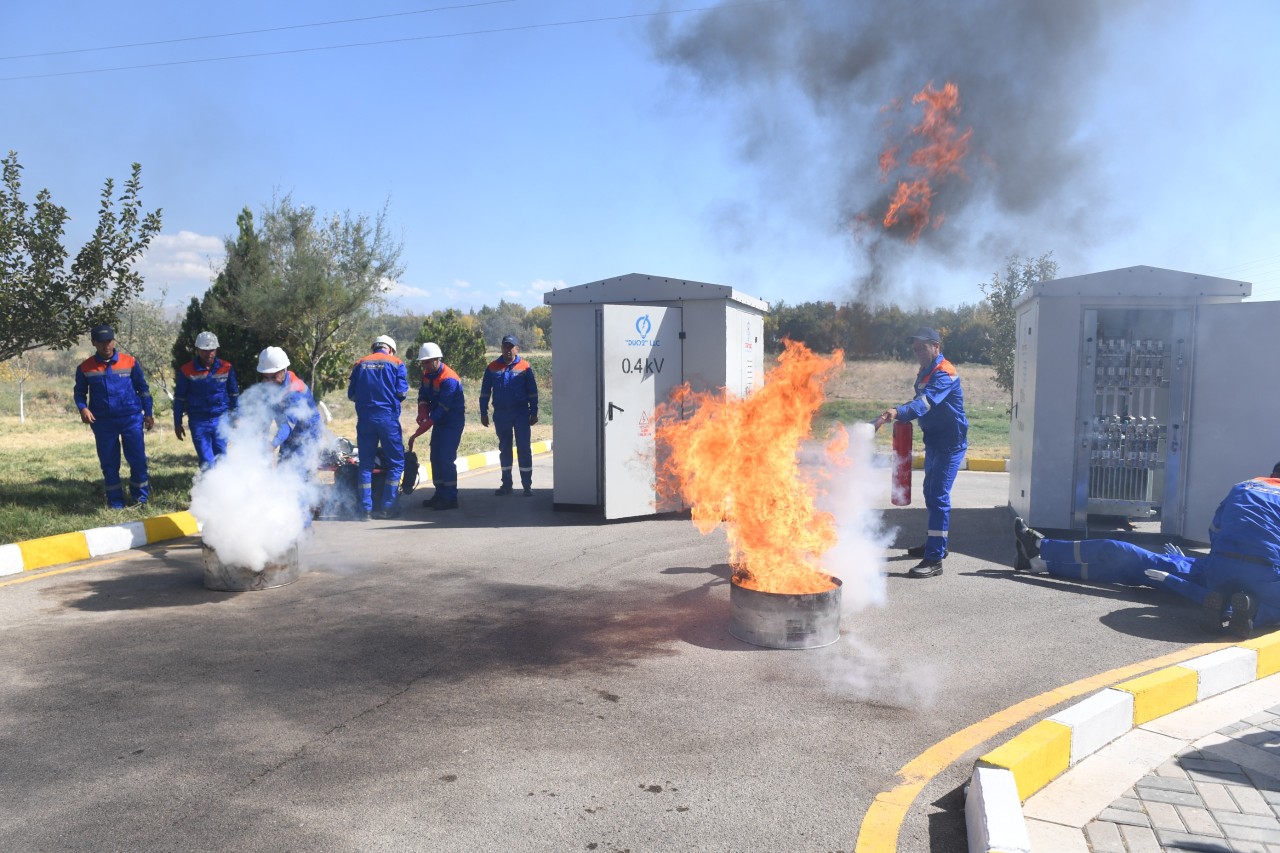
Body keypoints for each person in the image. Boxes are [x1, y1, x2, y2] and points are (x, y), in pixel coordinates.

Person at [1013, 461, 1280, 637]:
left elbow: (1216, 532)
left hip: (1219, 569)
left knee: (1137, 561)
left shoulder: (1245, 486)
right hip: (1266, 578)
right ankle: (1248, 611)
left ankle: (1040, 550)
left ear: (1271, 476)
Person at [874, 326, 968, 578]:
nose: (918, 353)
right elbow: (918, 401)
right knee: (930, 493)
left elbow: (925, 404)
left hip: (951, 444)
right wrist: (895, 410)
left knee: (937, 496)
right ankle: (936, 545)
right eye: (915, 349)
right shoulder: (926, 373)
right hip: (935, 442)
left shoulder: (944, 373)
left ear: (936, 346)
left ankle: (935, 559)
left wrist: (896, 412)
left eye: (922, 348)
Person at [74, 324, 155, 509]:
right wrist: (83, 408)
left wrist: (148, 413)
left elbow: (143, 389)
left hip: (131, 419)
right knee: (110, 464)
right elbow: (79, 393)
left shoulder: (130, 362)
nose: (106, 346)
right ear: (94, 343)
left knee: (138, 461)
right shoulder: (85, 367)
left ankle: (140, 500)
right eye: (101, 342)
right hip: (103, 423)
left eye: (109, 341)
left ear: (114, 340)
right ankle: (116, 503)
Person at [347, 335, 408, 519]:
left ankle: (365, 509)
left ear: (375, 347)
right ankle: (387, 508)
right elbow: (401, 393)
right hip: (387, 419)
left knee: (365, 464)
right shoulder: (397, 363)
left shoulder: (360, 363)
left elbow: (351, 395)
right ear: (390, 349)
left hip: (365, 419)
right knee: (396, 464)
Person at [479, 334, 540, 497]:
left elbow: (533, 392)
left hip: (521, 414)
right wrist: (483, 412)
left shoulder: (525, 367)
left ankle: (527, 485)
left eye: (510, 347)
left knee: (524, 449)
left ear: (517, 349)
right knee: (504, 449)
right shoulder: (492, 367)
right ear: (501, 348)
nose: (507, 350)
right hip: (501, 415)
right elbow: (485, 392)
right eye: (505, 346)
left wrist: (534, 412)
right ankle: (506, 484)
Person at [174, 331, 239, 469]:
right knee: (207, 461)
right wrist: (177, 422)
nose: (209, 353)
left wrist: (236, 416)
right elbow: (179, 398)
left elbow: (233, 394)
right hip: (199, 421)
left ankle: (224, 488)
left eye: (212, 350)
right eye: (204, 350)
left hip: (221, 418)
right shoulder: (187, 370)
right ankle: (208, 489)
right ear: (197, 350)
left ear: (216, 349)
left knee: (222, 457)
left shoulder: (226, 367)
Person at [415, 342, 466, 510]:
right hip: (439, 420)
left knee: (445, 457)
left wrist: (428, 422)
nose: (426, 365)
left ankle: (451, 498)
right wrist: (422, 410)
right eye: (424, 362)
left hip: (452, 421)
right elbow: (423, 394)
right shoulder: (427, 375)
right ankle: (440, 494)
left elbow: (443, 407)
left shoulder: (449, 378)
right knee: (435, 457)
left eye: (428, 362)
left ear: (438, 360)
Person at [256, 346, 322, 472]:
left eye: (273, 377)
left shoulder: (295, 390)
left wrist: (273, 445)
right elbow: (267, 416)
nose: (269, 382)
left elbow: (288, 424)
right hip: (288, 436)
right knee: (282, 471)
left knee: (297, 476)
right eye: (266, 377)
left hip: (306, 435)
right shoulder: (273, 386)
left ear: (283, 370)